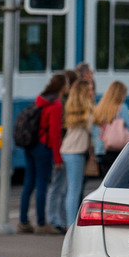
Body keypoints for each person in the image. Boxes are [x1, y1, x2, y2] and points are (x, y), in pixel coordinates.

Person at [18, 72, 68, 235]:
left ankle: (23, 221)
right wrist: (58, 158)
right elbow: (55, 134)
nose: (68, 87)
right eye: (67, 84)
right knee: (41, 185)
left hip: (31, 145)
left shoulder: (41, 99)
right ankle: (41, 223)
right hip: (43, 147)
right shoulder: (56, 105)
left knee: (29, 183)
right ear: (61, 87)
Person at [45, 69, 78, 233]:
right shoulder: (61, 103)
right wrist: (57, 157)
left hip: (61, 148)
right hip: (62, 148)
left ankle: (58, 218)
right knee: (59, 185)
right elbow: (56, 133)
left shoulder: (60, 101)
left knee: (61, 186)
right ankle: (55, 219)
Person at [61, 79, 94, 228]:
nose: (92, 92)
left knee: (69, 189)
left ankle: (67, 222)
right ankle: (71, 225)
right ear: (84, 94)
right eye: (90, 90)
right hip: (76, 152)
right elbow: (93, 130)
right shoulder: (86, 112)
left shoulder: (73, 108)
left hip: (67, 150)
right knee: (74, 190)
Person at [92, 80, 129, 176]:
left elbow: (95, 131)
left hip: (102, 151)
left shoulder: (99, 108)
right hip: (118, 150)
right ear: (120, 94)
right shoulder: (122, 107)